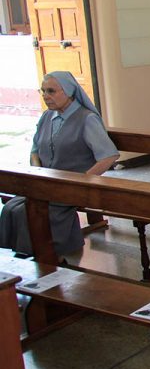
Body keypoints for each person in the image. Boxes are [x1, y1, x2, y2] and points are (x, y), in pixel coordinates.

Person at [0, 71, 119, 258]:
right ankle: (28, 256)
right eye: (43, 91)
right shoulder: (47, 117)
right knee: (12, 208)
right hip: (46, 183)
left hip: (72, 185)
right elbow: (34, 151)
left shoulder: (86, 119)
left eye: (52, 91)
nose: (46, 96)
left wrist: (82, 179)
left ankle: (46, 254)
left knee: (28, 211)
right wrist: (37, 171)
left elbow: (108, 156)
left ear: (69, 92)